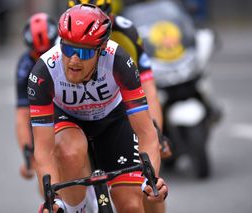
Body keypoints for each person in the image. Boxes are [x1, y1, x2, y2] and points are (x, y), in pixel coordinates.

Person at [28, 4, 168, 213]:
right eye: (68, 49)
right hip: (69, 120)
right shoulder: (44, 71)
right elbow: (44, 150)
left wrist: (150, 180)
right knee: (69, 150)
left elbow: (147, 132)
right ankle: (77, 209)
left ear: (101, 50)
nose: (74, 60)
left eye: (84, 53)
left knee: (131, 205)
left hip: (113, 120)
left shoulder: (119, 61)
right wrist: (53, 200)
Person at [66, 0, 172, 159]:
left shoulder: (127, 31)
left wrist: (157, 134)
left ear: (111, 16)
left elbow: (148, 88)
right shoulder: (60, 42)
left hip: (116, 106)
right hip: (75, 109)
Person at [15, 12, 58, 179]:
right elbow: (22, 114)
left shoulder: (67, 54)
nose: (43, 60)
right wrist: (28, 156)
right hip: (44, 114)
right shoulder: (24, 65)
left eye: (48, 52)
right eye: (37, 55)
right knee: (43, 177)